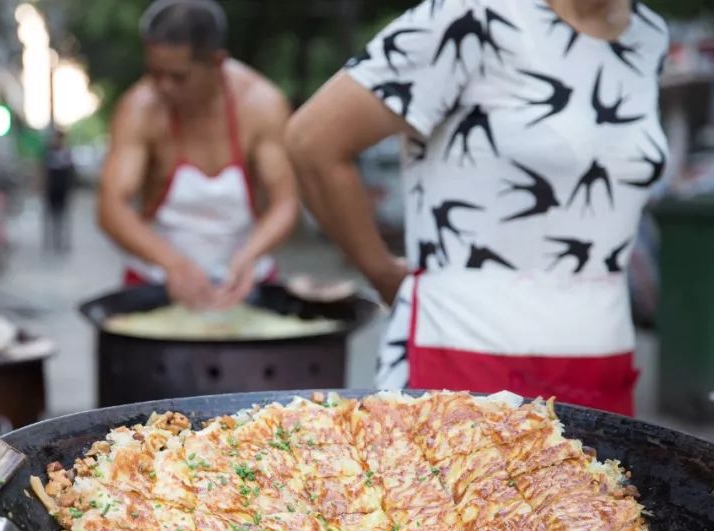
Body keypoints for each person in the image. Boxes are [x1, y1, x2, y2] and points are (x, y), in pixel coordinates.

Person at [287, 0, 668, 415]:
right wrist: (381, 273)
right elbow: (312, 142)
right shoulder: (472, 14)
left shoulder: (648, 35)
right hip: (465, 349)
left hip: (603, 356)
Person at [98, 0, 299, 310]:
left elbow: (285, 203)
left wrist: (248, 256)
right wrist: (173, 265)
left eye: (178, 77)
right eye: (155, 73)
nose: (164, 87)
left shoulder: (262, 105)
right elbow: (112, 207)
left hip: (246, 282)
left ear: (218, 63)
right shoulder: (140, 108)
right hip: (156, 281)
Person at [43, 129, 74, 253]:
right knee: (50, 216)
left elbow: (71, 173)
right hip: (51, 189)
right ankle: (50, 241)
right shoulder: (49, 152)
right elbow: (44, 171)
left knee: (63, 217)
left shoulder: (66, 154)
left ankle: (62, 242)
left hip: (63, 189)